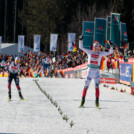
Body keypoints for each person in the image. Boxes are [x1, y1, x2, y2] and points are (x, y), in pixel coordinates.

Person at [79, 37, 113, 108]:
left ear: (99, 48)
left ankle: (97, 103)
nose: (96, 49)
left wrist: (111, 45)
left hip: (97, 72)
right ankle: (82, 102)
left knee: (97, 87)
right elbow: (80, 47)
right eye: (95, 47)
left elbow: (110, 52)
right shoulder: (89, 52)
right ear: (93, 48)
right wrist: (80, 40)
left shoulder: (100, 53)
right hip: (90, 71)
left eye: (97, 48)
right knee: (86, 86)